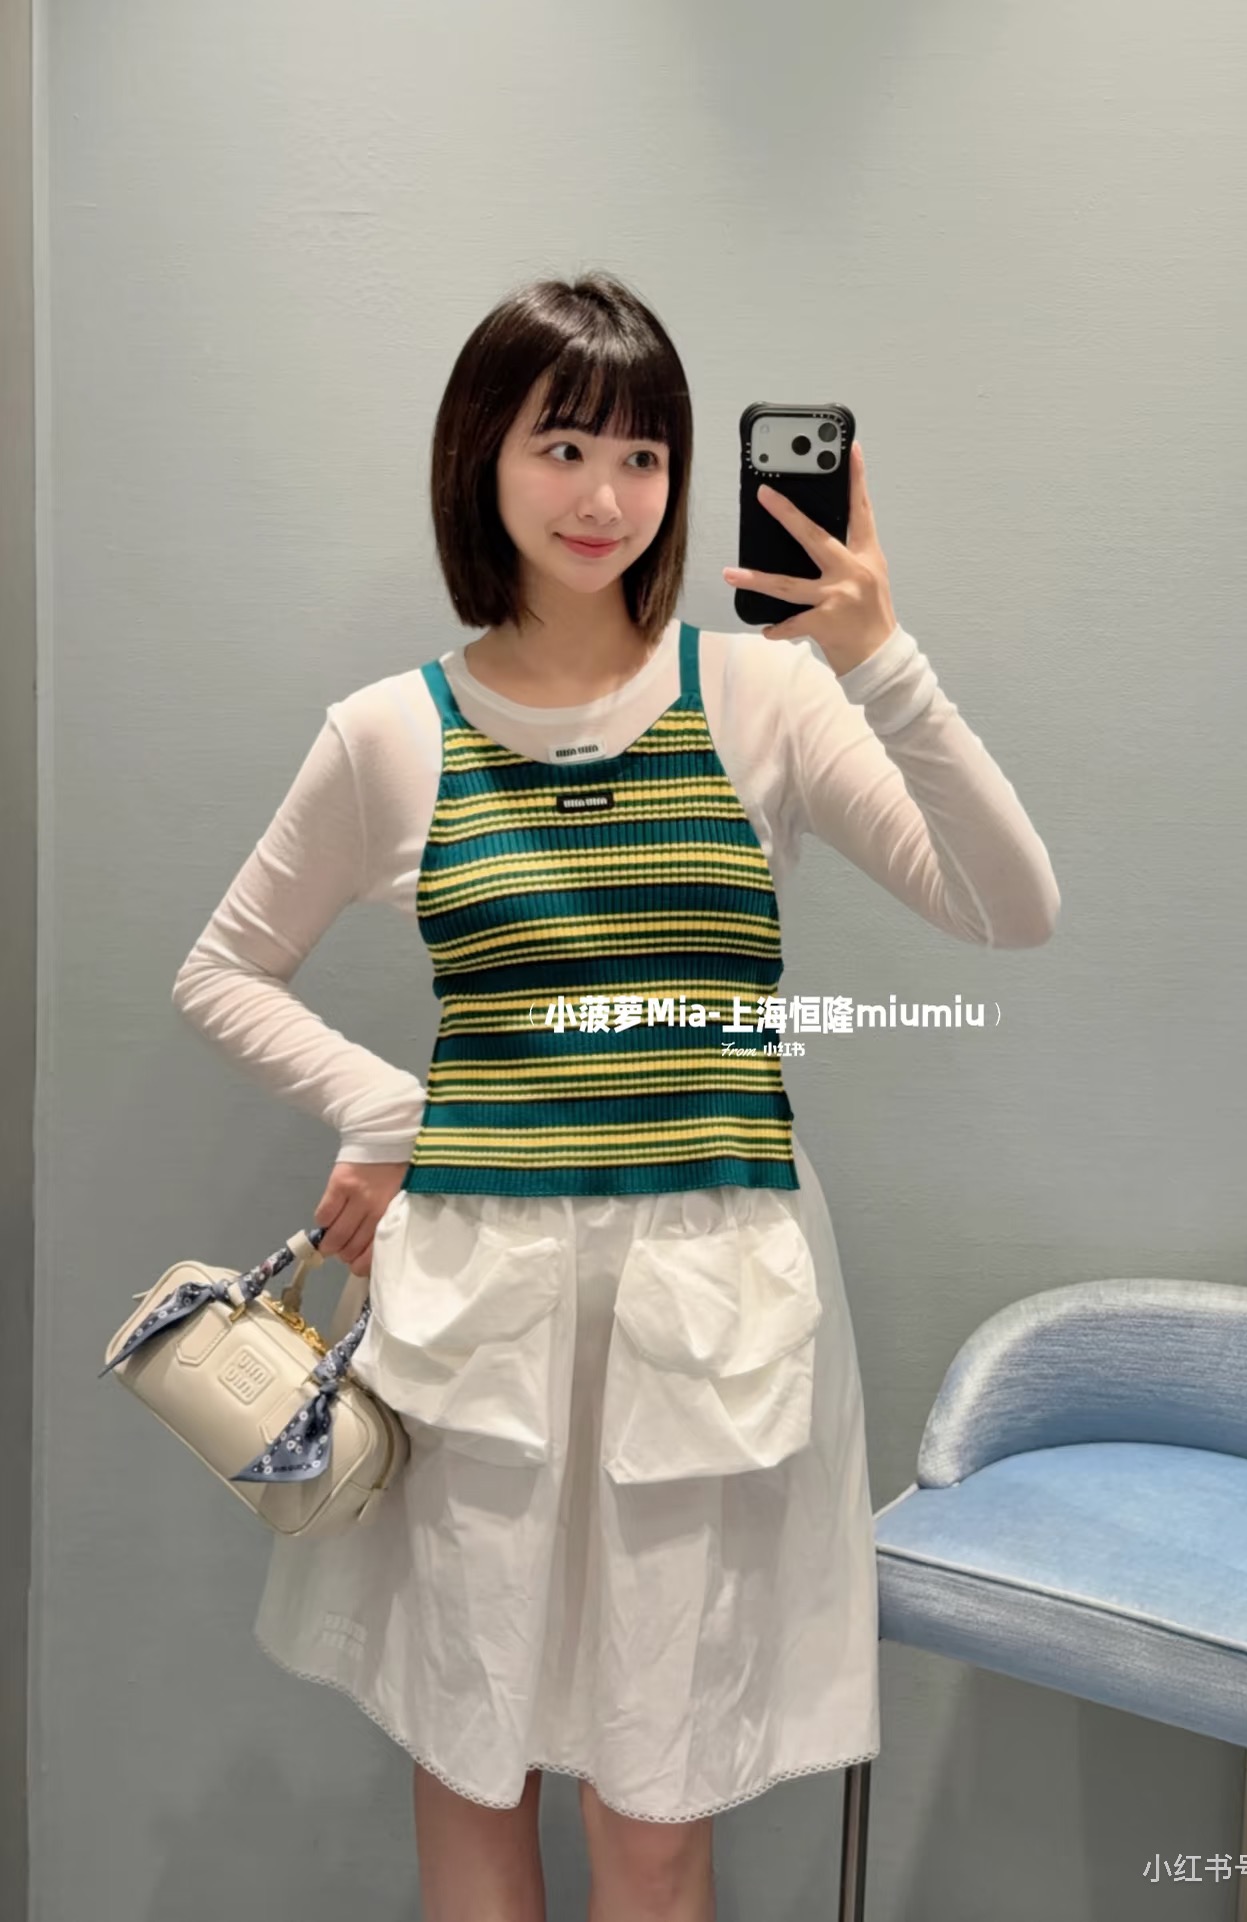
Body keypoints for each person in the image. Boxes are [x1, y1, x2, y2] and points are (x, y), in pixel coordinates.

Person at [171, 269, 1060, 1922]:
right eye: (563, 445)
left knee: (658, 1812)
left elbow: (1012, 906)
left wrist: (877, 655)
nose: (604, 496)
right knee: (474, 1768)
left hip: (705, 1303)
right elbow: (221, 968)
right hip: (478, 1305)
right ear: (483, 458)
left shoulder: (762, 696)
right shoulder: (393, 733)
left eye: (643, 456)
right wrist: (391, 1111)